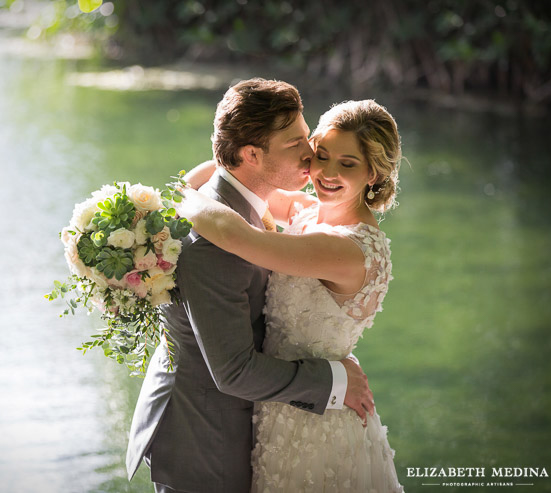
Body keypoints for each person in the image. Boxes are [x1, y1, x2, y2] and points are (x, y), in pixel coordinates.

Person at [126, 79, 375, 492]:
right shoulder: (214, 243)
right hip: (205, 438)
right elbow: (234, 371)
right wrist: (335, 382)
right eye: (295, 142)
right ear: (252, 154)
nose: (310, 152)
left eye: (306, 134)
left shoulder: (243, 203)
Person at [177, 99, 405, 491]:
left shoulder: (348, 250)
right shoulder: (308, 210)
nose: (327, 173)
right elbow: (229, 172)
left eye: (347, 164)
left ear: (374, 174)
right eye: (321, 154)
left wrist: (179, 195)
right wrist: (230, 160)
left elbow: (235, 236)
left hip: (317, 419)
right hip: (280, 404)